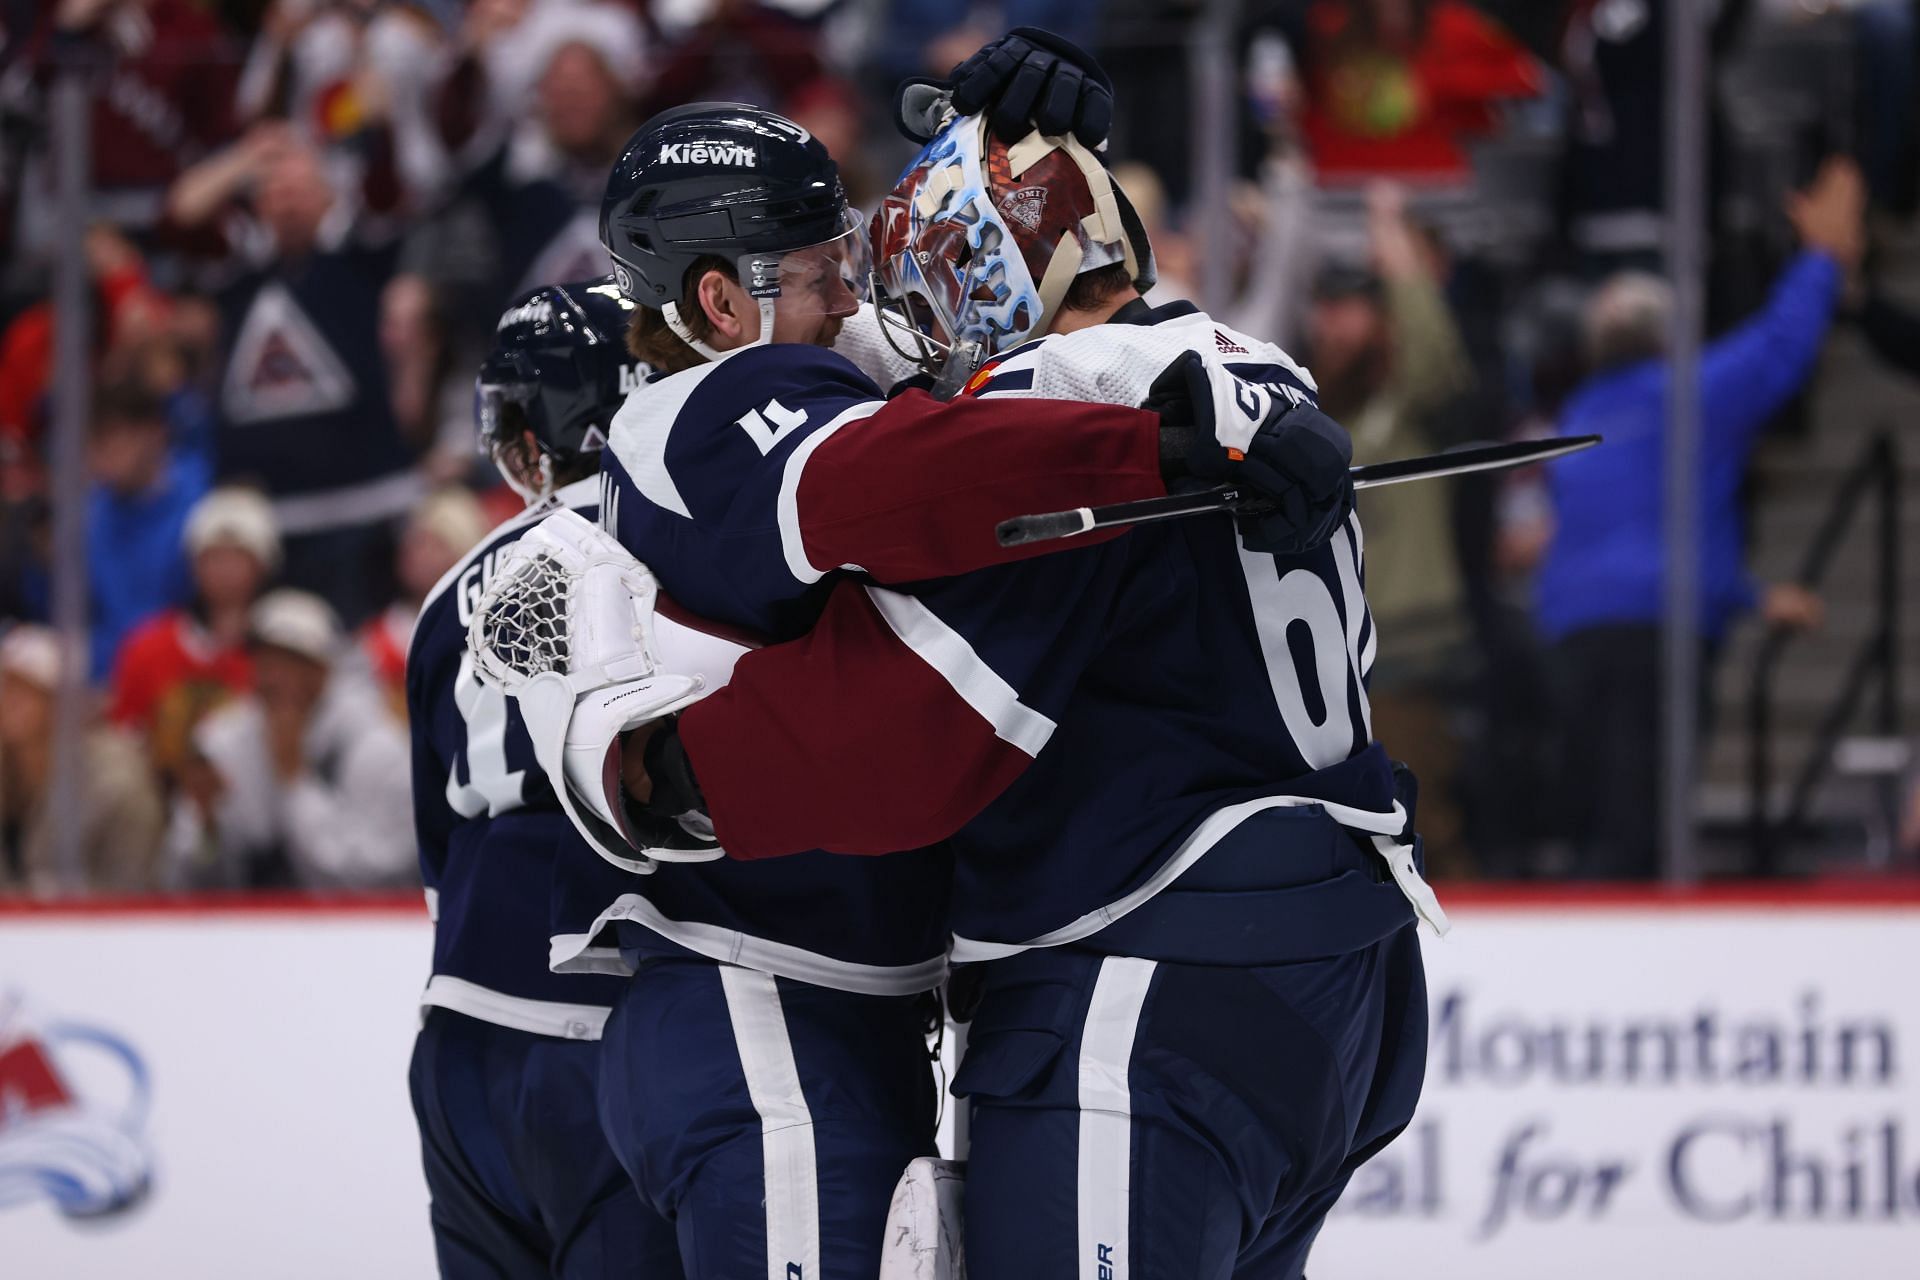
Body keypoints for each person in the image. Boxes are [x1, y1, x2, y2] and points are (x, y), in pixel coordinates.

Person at [505, 80, 1434, 1280]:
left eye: (874, 259)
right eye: (818, 265)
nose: (866, 300)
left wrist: (696, 776)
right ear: (717, 297)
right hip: (1334, 962)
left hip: (1143, 955)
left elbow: (932, 708)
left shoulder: (1032, 401)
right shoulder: (1247, 370)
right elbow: (903, 471)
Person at [406, 280, 681, 1280]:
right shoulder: (681, 543)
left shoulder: (447, 594)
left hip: (459, 1031)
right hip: (597, 1024)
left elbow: (439, 854)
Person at [1534, 155, 1864, 879]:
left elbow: (1628, 534)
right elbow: (1782, 344)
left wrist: (1749, 594)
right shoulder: (1691, 394)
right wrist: (1820, 257)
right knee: (1642, 823)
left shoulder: (1581, 416)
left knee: (1591, 814)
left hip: (1572, 634)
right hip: (1657, 635)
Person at [168, 589, 413, 889]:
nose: (272, 676)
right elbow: (188, 886)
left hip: (351, 930)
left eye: (289, 662)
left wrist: (296, 781)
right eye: (264, 660)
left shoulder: (376, 746)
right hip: (245, 928)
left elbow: (384, 877)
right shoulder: (223, 740)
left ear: (322, 670)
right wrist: (208, 827)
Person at [110, 485, 278, 785]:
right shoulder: (149, 646)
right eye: (214, 557)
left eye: (237, 557)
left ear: (262, 565)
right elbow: (123, 739)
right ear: (194, 565)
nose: (225, 570)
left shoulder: (280, 651)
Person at [0, 624, 165, 896]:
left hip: (97, 932)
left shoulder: (118, 784)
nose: (9, 702)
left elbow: (130, 891)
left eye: (26, 691)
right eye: (6, 688)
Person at [85, 364, 212, 681]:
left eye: (116, 434)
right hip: (110, 682)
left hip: (188, 677)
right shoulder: (90, 515)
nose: (103, 451)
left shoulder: (204, 498)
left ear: (156, 433)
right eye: (94, 438)